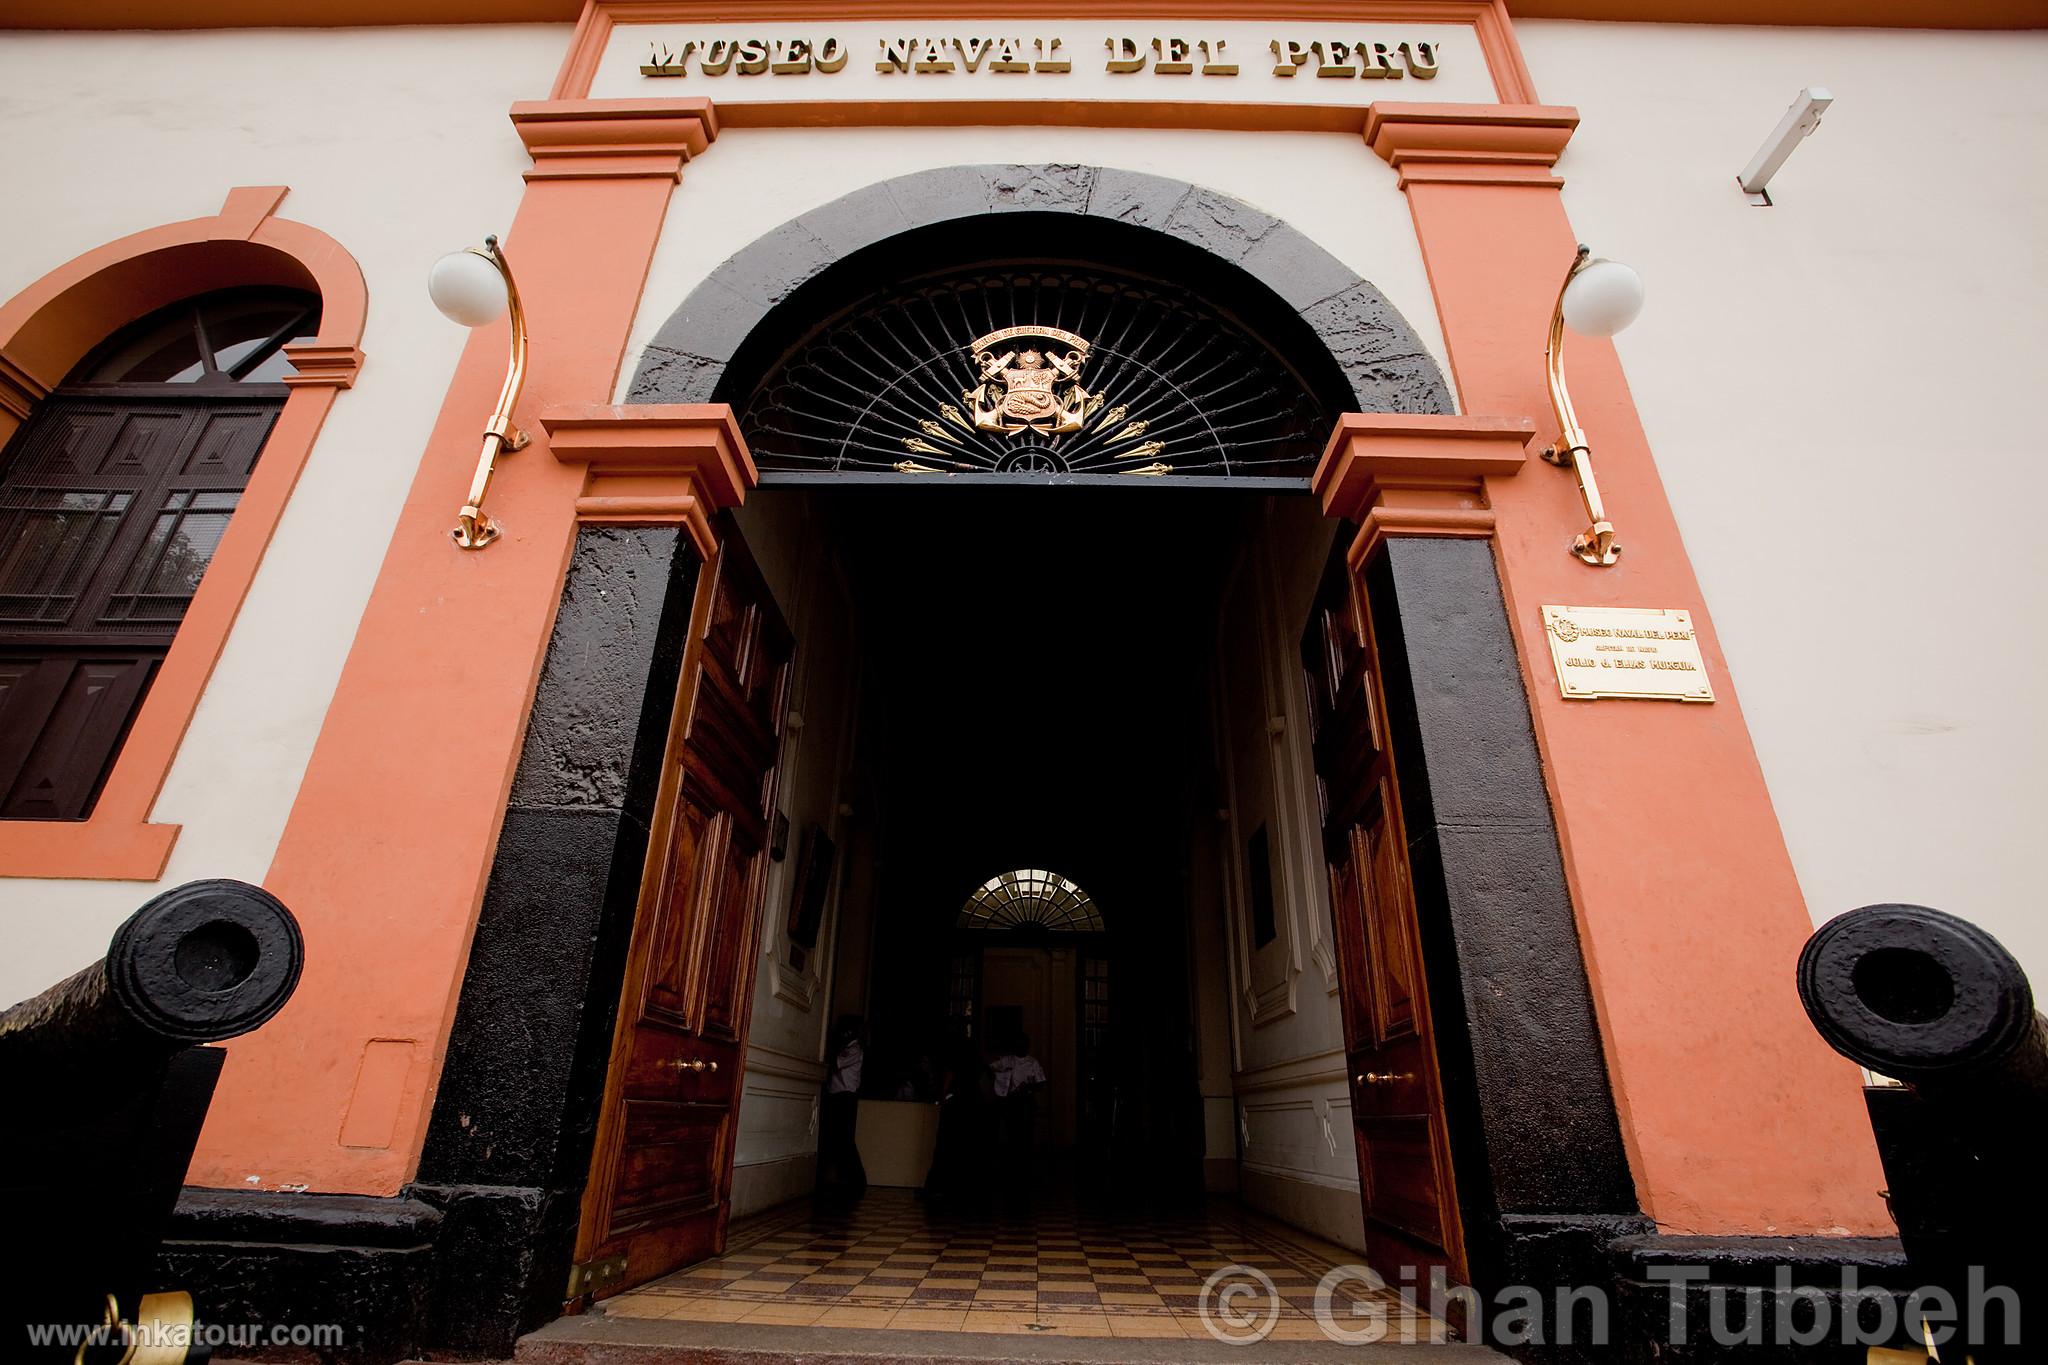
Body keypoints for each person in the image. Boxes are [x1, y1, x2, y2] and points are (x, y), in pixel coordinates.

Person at [991, 1031, 1046, 1210]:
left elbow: (1042, 1083)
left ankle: (1023, 1179)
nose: (1022, 1046)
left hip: (1025, 1104)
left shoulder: (1033, 1063)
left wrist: (1027, 1086)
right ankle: (1012, 1178)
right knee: (1013, 1140)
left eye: (1024, 1043)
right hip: (1011, 1104)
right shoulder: (1008, 1061)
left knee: (1024, 1141)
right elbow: (991, 1067)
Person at [818, 1016, 866, 1200]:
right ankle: (846, 1179)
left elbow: (837, 1063)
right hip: (838, 1095)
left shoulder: (854, 1049)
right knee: (837, 1139)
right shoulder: (849, 1047)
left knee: (844, 1139)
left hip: (845, 1097)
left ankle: (856, 1180)